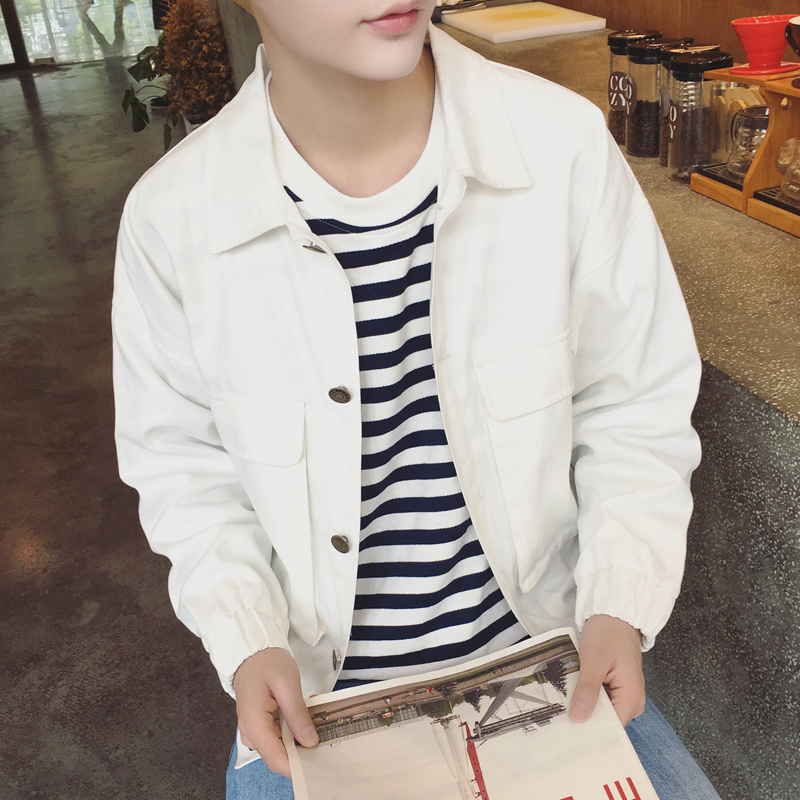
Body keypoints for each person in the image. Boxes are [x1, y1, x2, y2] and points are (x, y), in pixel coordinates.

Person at [111, 2, 722, 798]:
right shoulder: (172, 220)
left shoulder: (561, 146)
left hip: (554, 668)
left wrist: (620, 602)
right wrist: (247, 638)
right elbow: (185, 473)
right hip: (317, 709)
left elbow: (633, 403)